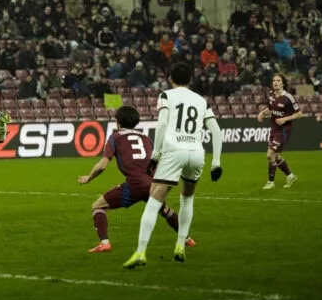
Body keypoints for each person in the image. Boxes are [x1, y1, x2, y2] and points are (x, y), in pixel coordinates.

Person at [123, 62, 223, 268]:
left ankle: (141, 252)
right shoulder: (201, 100)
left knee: (154, 200)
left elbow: (161, 124)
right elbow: (216, 131)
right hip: (196, 153)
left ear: (170, 79)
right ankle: (180, 245)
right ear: (191, 80)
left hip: (174, 150)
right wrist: (216, 162)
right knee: (187, 199)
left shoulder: (166, 96)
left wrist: (156, 153)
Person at [78, 105, 196, 253]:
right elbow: (157, 161)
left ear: (118, 122)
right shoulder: (146, 138)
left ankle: (104, 243)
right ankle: (187, 239)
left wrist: (89, 178)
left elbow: (102, 166)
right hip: (152, 183)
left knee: (98, 206)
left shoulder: (115, 137)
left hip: (135, 185)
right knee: (165, 210)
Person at [257, 73, 302, 189]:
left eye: (278, 80)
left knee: (269, 155)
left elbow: (299, 114)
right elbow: (270, 109)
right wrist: (262, 113)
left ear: (283, 83)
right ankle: (291, 176)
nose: (275, 83)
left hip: (284, 130)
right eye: (274, 81)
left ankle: (271, 182)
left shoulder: (288, 97)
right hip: (274, 128)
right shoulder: (271, 96)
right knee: (276, 156)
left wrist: (285, 119)